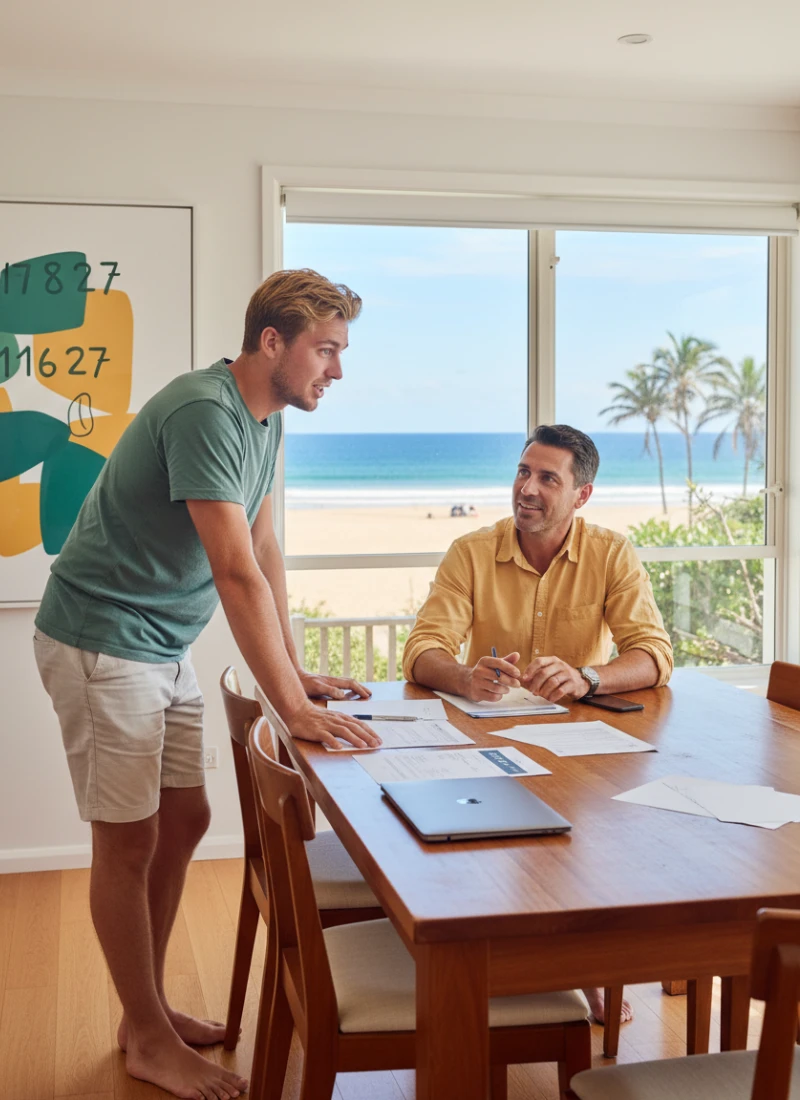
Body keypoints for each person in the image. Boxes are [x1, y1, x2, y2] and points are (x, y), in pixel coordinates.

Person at [33, 269, 380, 1100]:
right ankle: (147, 1035)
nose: (337, 369)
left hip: (160, 645)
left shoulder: (265, 422)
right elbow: (231, 571)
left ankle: (139, 1011)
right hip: (102, 640)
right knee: (126, 842)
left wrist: (294, 674)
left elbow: (264, 552)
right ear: (272, 342)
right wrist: (288, 709)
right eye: (326, 350)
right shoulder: (203, 411)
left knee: (184, 818)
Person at [402, 423, 673, 1025]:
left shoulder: (611, 553)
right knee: (485, 851)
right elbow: (422, 650)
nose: (527, 488)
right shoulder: (471, 552)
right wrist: (463, 676)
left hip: (581, 754)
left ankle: (587, 967)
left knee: (600, 841)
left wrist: (589, 678)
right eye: (524, 472)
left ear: (582, 495)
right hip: (484, 750)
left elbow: (654, 653)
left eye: (548, 478)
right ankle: (490, 967)